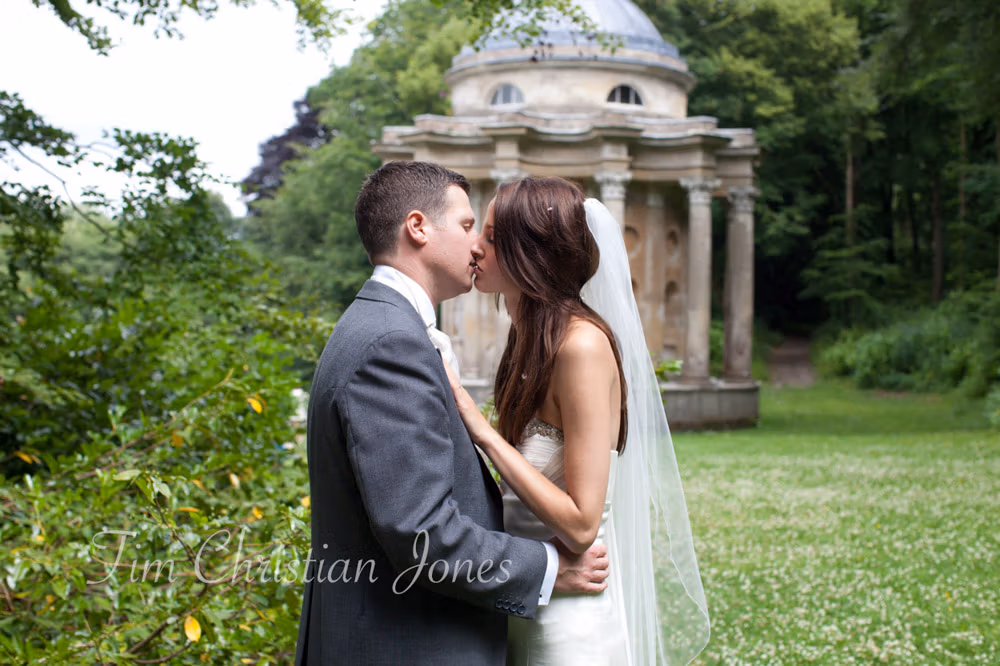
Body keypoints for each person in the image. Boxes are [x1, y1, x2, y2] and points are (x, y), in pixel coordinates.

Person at [294, 161, 611, 665]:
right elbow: (421, 532)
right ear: (417, 227)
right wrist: (548, 568)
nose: (477, 247)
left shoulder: (381, 326)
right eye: (468, 227)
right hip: (402, 644)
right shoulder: (391, 343)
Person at [443, 177, 711, 665]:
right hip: (530, 599)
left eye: (492, 236)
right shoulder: (528, 340)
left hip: (572, 625)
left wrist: (480, 431)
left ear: (532, 252)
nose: (475, 248)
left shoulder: (581, 347)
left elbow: (583, 524)